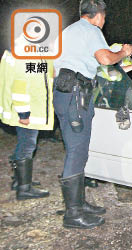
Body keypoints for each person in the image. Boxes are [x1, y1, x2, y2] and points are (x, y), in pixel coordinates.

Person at [53, 0, 132, 229]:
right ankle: (73, 214)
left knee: (76, 149)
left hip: (65, 94)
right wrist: (123, 52)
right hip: (76, 96)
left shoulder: (68, 31)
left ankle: (78, 203)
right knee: (77, 151)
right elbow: (105, 59)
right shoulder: (90, 30)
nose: (104, 21)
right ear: (98, 15)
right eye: (104, 17)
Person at [0, 50, 53, 201]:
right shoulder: (26, 53)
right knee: (28, 145)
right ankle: (24, 188)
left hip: (27, 109)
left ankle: (20, 180)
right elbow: (20, 85)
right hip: (27, 111)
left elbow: (38, 75)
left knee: (24, 143)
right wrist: (23, 113)